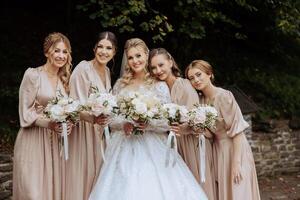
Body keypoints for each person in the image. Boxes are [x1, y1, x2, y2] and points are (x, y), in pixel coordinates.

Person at [89, 38, 208, 200]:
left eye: (138, 56)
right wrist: (123, 124)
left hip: (153, 143)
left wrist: (148, 124)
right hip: (124, 143)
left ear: (146, 55)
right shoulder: (120, 84)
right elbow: (112, 117)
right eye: (130, 57)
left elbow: (167, 120)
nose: (135, 61)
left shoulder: (159, 85)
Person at [186, 60, 261, 200]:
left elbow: (237, 132)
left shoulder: (224, 96)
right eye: (191, 78)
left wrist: (236, 163)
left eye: (198, 75)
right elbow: (210, 134)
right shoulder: (201, 102)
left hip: (235, 149)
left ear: (209, 74)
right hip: (218, 151)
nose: (196, 80)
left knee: (239, 191)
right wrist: (194, 128)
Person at [148, 48, 217, 200]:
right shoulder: (159, 89)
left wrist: (181, 129)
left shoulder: (184, 85)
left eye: (161, 65)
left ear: (170, 62)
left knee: (199, 187)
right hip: (175, 145)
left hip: (193, 144)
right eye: (153, 67)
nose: (158, 70)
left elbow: (195, 117)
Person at [13, 32, 73, 200]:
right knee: (34, 192)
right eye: (57, 51)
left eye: (65, 52)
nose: (61, 56)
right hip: (33, 140)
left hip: (55, 143)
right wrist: (49, 124)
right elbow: (25, 112)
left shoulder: (65, 80)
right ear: (47, 52)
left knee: (51, 191)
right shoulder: (33, 75)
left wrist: (69, 123)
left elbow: (70, 109)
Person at [66, 31, 117, 200]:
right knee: (82, 173)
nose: (104, 51)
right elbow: (74, 104)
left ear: (114, 52)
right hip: (83, 131)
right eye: (100, 47)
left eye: (108, 48)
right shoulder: (83, 68)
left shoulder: (108, 72)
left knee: (97, 175)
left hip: (99, 132)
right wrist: (92, 117)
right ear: (94, 48)